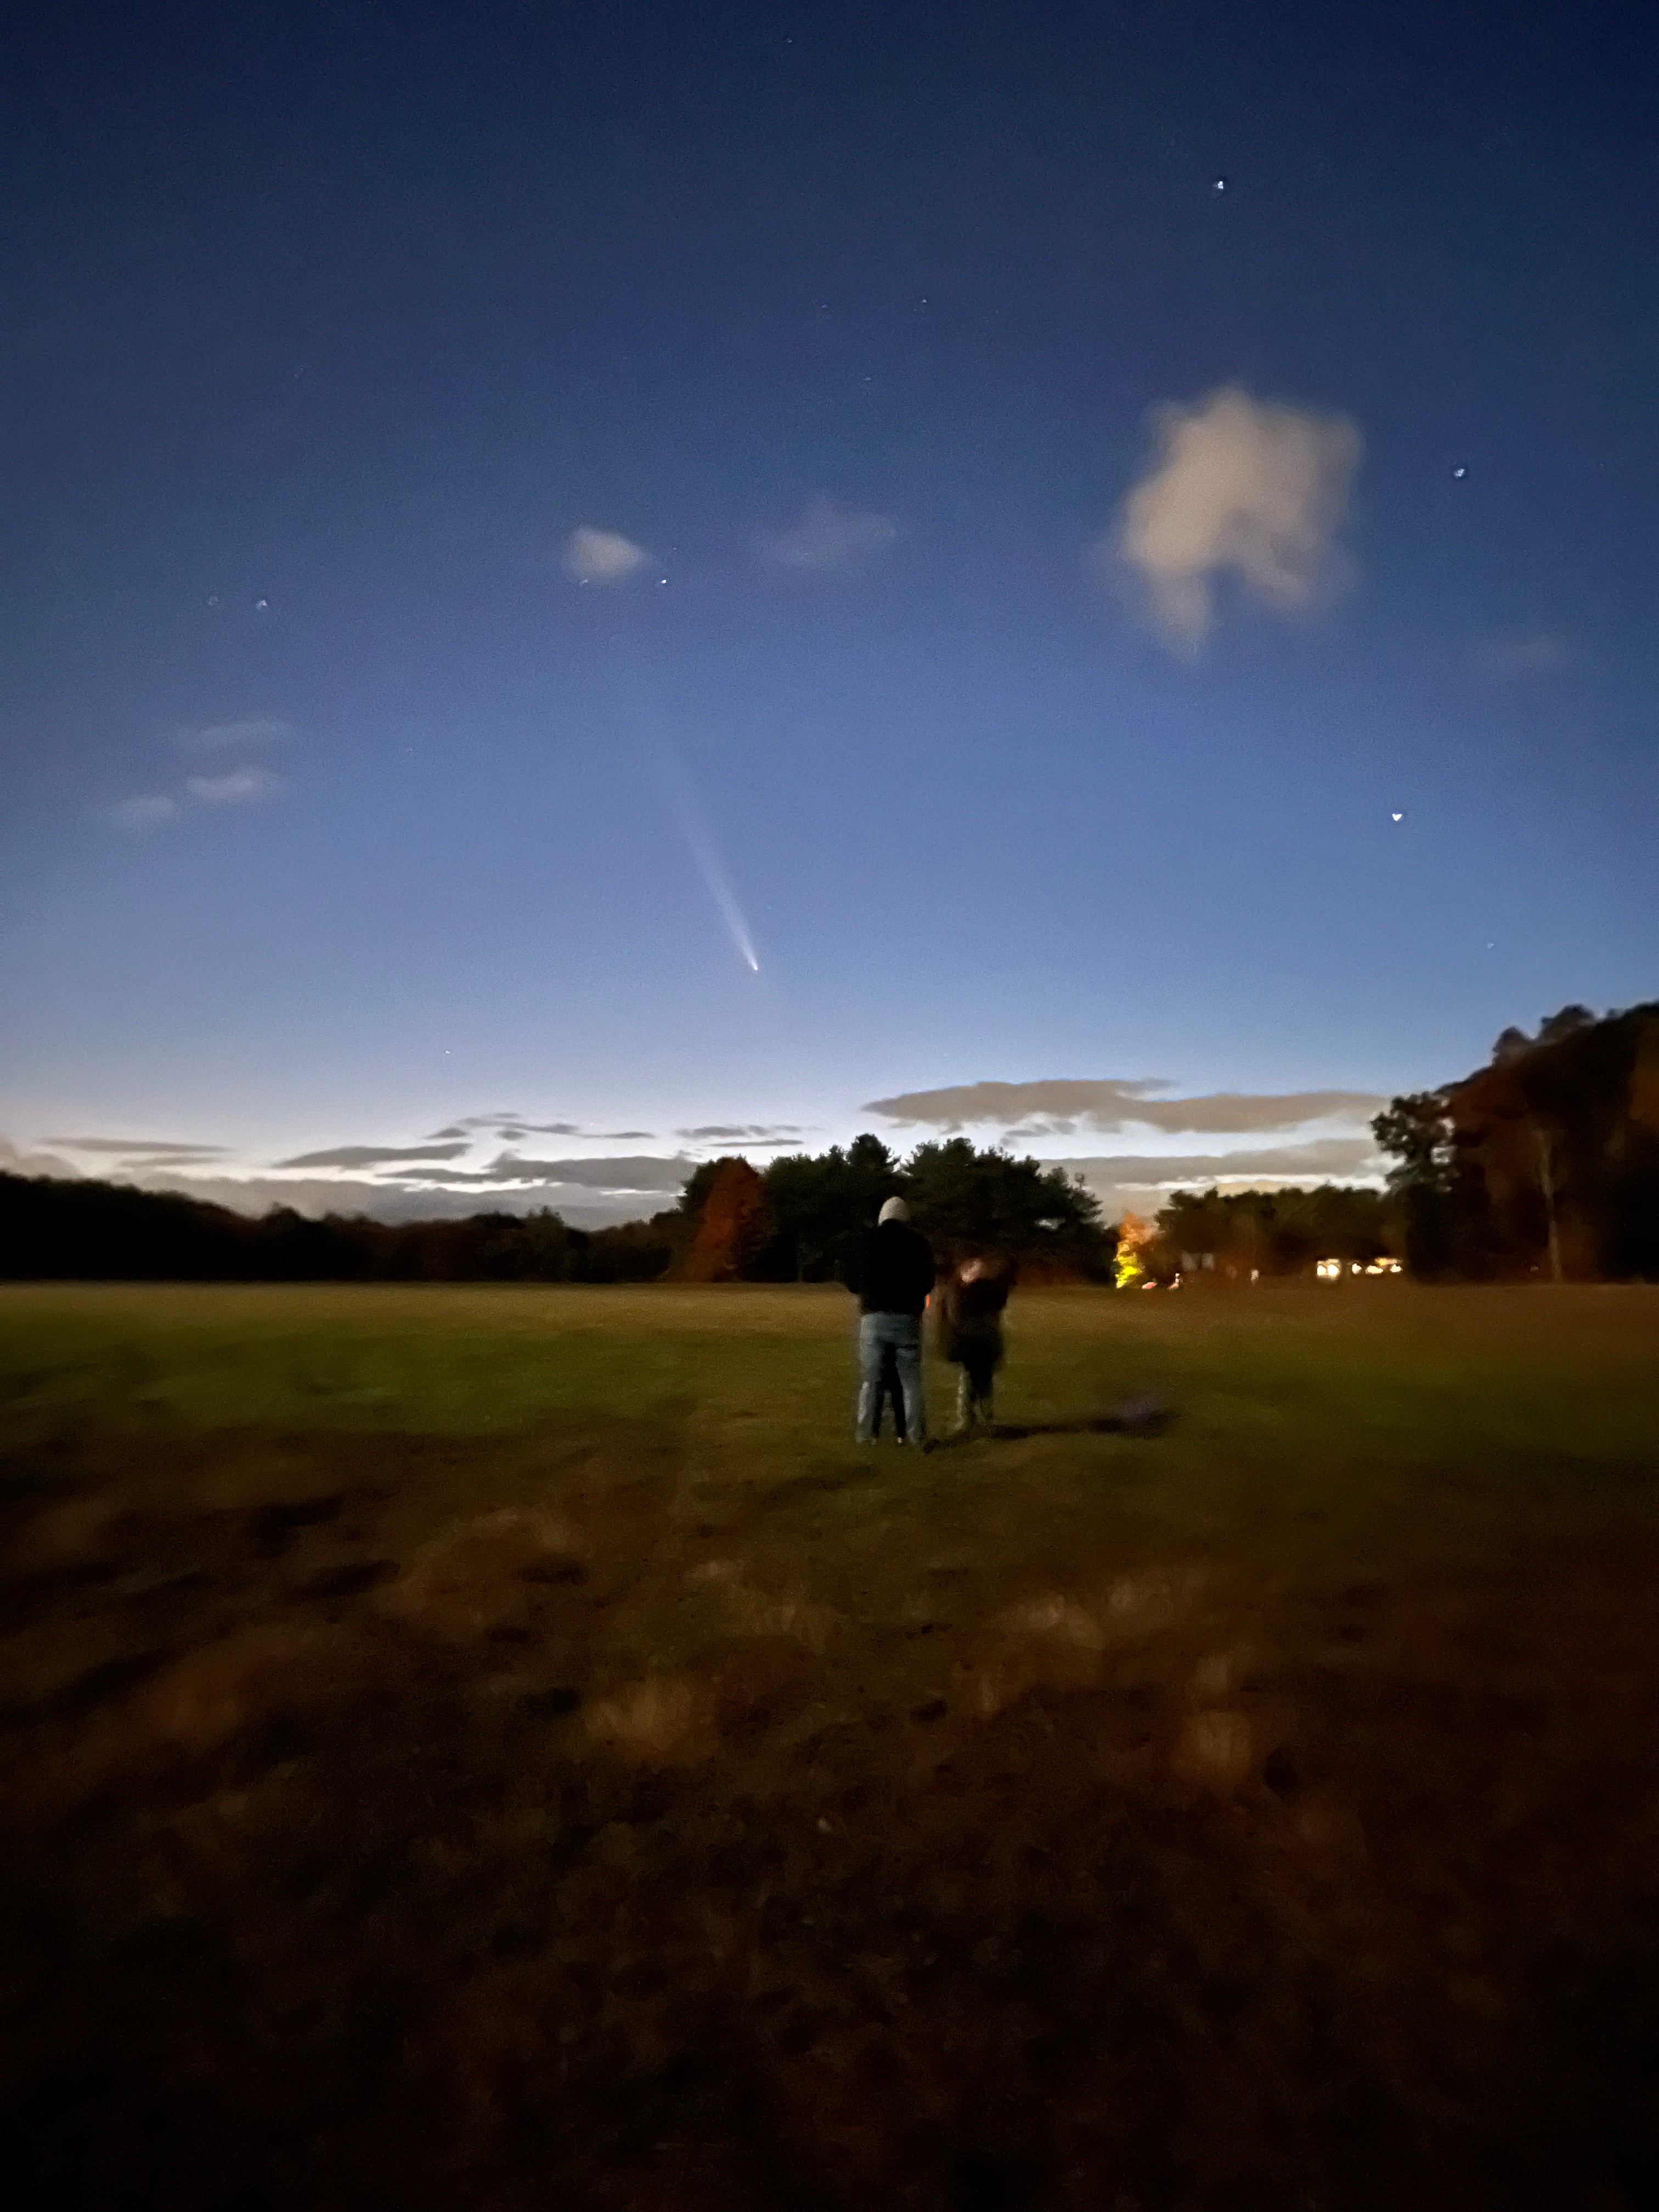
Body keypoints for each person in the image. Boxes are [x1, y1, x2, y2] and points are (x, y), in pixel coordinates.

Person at [843, 1195, 935, 1444]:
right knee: (910, 1381)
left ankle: (865, 1435)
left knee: (871, 1381)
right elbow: (929, 1282)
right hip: (907, 1318)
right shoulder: (919, 1243)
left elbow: (851, 1281)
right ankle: (917, 1436)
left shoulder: (866, 1241)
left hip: (873, 1318)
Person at [936, 1254, 1011, 1432]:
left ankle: (983, 1419)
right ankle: (970, 1419)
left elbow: (999, 1301)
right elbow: (954, 1316)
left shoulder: (989, 1290)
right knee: (971, 1380)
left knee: (982, 1381)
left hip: (983, 1342)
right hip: (971, 1343)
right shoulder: (958, 1291)